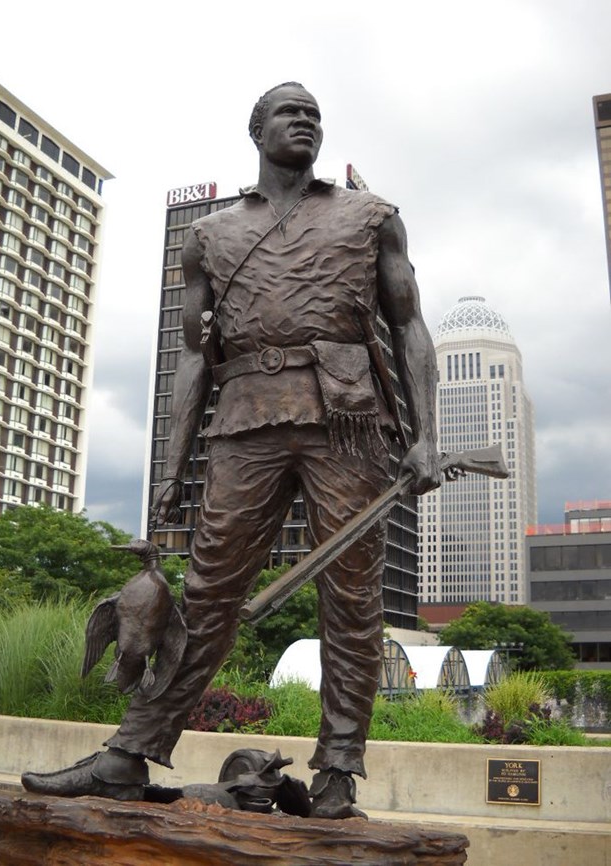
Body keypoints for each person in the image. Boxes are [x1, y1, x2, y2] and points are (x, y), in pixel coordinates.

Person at [22, 82, 441, 819]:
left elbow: (408, 325)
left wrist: (427, 437)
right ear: (258, 129)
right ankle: (128, 754)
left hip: (345, 417)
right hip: (243, 418)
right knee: (207, 595)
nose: (305, 122)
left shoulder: (368, 215)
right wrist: (173, 466)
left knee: (351, 597)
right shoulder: (210, 234)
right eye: (290, 112)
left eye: (314, 114)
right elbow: (192, 358)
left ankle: (339, 770)